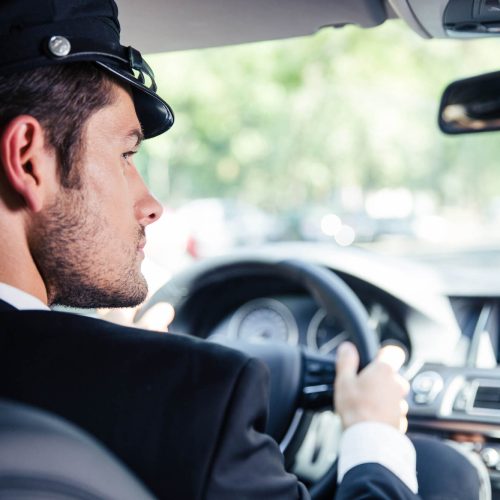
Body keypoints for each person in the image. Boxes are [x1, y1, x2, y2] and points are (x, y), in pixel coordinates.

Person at [0, 1, 484, 499]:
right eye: (126, 155)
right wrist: (373, 429)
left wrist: (110, 355)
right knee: (444, 470)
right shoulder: (191, 393)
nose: (151, 205)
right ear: (29, 160)